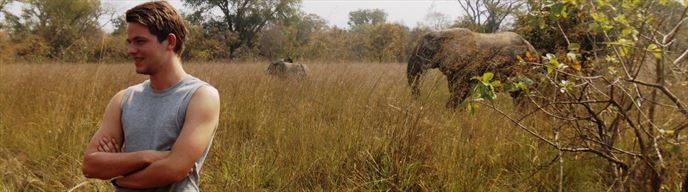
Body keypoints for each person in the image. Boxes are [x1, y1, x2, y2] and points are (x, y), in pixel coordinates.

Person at [81, 1, 220, 191]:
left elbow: (175, 169)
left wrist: (119, 179)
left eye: (140, 41)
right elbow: (90, 165)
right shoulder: (123, 99)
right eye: (129, 42)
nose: (131, 50)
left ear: (170, 42)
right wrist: (149, 156)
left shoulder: (200, 96)